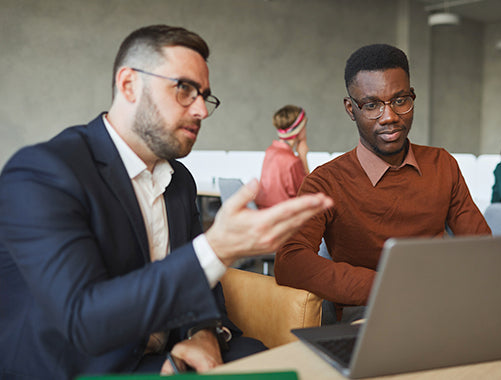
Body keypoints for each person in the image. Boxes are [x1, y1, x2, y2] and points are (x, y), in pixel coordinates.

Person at [0, 25, 332, 379]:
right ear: (129, 84)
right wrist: (216, 247)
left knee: (285, 366)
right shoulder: (43, 173)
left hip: (171, 353)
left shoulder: (179, 180)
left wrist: (202, 333)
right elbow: (84, 320)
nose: (202, 109)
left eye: (205, 95)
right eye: (185, 89)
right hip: (84, 365)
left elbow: (198, 283)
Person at [274, 44, 491, 323]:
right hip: (370, 310)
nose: (389, 117)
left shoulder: (442, 164)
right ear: (351, 109)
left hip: (441, 303)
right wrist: (389, 286)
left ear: (412, 97)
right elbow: (290, 261)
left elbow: (481, 248)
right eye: (372, 105)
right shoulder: (325, 182)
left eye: (400, 100)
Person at [255, 105, 310, 209]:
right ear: (300, 129)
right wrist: (303, 157)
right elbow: (308, 194)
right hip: (285, 218)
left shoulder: (270, 151)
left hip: (265, 213)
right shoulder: (293, 161)